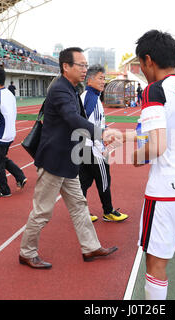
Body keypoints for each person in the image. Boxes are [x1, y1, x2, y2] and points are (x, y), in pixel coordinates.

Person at [119, 30, 175, 300]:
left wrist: (133, 157)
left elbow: (156, 146)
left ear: (148, 60)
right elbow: (169, 132)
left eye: (140, 63)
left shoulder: (154, 91)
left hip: (166, 191)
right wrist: (125, 136)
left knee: (156, 263)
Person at [19, 47, 119, 269]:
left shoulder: (72, 88)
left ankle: (90, 247)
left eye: (85, 65)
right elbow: (72, 119)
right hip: (54, 161)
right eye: (81, 65)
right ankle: (26, 252)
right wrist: (101, 133)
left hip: (68, 161)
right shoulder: (60, 90)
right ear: (66, 66)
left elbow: (76, 120)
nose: (85, 69)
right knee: (43, 211)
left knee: (79, 206)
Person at [79, 64, 128, 223]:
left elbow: (96, 124)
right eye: (100, 78)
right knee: (104, 179)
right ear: (90, 80)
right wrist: (101, 148)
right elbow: (91, 127)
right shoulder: (91, 98)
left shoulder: (90, 96)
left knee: (84, 181)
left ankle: (81, 212)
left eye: (104, 78)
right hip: (92, 148)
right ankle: (108, 211)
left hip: (85, 147)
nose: (103, 81)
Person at [0, 67, 27, 197]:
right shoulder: (10, 93)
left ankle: (4, 189)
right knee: (2, 159)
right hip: (10, 134)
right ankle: (20, 176)